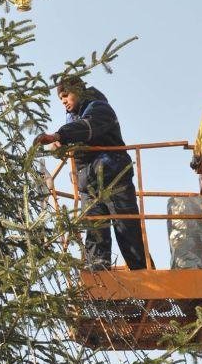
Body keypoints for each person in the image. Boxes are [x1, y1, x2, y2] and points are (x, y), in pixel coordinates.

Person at [35, 76, 147, 271]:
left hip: (114, 178)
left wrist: (59, 135)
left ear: (79, 90)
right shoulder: (74, 118)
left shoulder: (99, 108)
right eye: (60, 99)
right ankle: (99, 283)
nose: (64, 102)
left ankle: (144, 275)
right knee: (95, 235)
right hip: (89, 185)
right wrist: (57, 146)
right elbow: (74, 137)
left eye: (66, 96)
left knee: (127, 230)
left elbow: (87, 128)